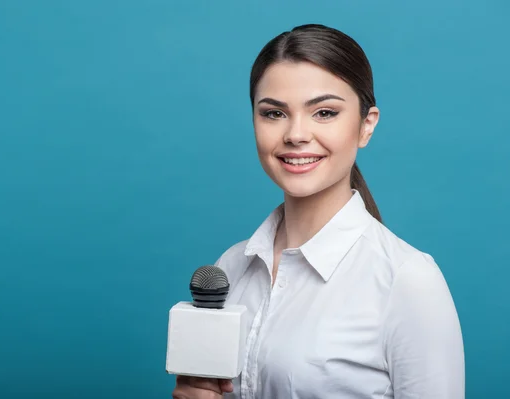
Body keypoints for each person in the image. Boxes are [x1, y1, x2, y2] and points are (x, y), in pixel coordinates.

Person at [172, 23, 465, 399]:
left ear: (366, 126)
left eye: (324, 112)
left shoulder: (407, 281)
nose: (296, 134)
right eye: (274, 114)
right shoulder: (231, 267)